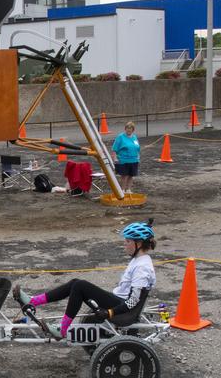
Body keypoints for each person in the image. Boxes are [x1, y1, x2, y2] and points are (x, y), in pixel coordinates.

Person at [13, 222, 157, 339]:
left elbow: (133, 301)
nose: (124, 245)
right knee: (76, 282)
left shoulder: (142, 268)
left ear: (138, 243)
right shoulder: (139, 260)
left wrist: (110, 313)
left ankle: (62, 331)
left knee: (80, 286)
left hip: (123, 310)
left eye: (128, 242)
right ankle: (33, 301)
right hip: (119, 301)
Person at [111, 121, 141, 193]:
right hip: (123, 160)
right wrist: (114, 158)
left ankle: (128, 189)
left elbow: (137, 148)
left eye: (130, 128)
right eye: (127, 128)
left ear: (133, 130)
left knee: (131, 175)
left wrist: (138, 157)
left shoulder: (134, 137)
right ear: (125, 129)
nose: (129, 130)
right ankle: (122, 190)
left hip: (134, 160)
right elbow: (114, 149)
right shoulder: (120, 137)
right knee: (124, 176)